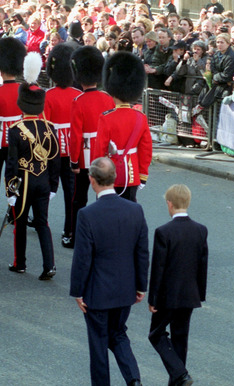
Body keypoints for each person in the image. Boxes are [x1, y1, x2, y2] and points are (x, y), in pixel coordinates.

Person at [70, 157, 149, 386]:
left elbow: (83, 258)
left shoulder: (86, 214)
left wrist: (78, 291)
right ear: (115, 178)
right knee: (118, 334)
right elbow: (141, 252)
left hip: (97, 291)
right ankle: (133, 380)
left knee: (98, 341)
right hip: (125, 289)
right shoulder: (135, 210)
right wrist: (140, 286)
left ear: (91, 180)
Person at [148, 184, 208, 386]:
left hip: (167, 296)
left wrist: (153, 298)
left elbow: (158, 268)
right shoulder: (200, 230)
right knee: (180, 337)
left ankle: (180, 375)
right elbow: (203, 264)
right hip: (189, 294)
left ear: (169, 204)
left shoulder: (164, 232)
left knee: (156, 334)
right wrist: (199, 293)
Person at [6, 74, 60, 280]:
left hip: (23, 183)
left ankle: (20, 263)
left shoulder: (15, 130)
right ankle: (49, 265)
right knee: (42, 223)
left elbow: (12, 163)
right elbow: (55, 160)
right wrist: (54, 185)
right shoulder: (49, 127)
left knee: (20, 222)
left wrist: (10, 190)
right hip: (44, 181)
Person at [67, 46, 114, 247]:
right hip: (104, 156)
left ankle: (76, 237)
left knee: (79, 200)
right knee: (102, 198)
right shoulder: (107, 98)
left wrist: (74, 161)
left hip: (85, 158)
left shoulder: (78, 101)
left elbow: (76, 135)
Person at [93, 51, 152, 202]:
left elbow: (100, 149)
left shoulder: (106, 117)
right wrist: (143, 174)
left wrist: (95, 173)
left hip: (109, 172)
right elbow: (146, 150)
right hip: (132, 174)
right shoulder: (141, 117)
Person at [0, 37, 27, 218]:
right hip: (18, 139)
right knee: (14, 176)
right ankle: (13, 210)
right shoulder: (22, 90)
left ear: (0, 70)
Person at [44, 44, 81, 248]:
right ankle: (69, 229)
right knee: (71, 194)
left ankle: (42, 222)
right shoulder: (77, 94)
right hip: (73, 150)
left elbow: (46, 127)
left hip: (52, 150)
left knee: (47, 190)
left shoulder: (48, 95)